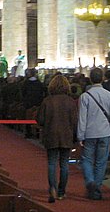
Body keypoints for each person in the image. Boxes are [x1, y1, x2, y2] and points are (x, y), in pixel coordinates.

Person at [77, 67, 110, 200]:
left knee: (87, 160)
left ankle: (90, 181)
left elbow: (82, 118)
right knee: (101, 162)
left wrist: (80, 135)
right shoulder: (109, 95)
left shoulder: (85, 96)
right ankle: (97, 188)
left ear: (90, 79)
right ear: (102, 79)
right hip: (105, 133)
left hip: (89, 133)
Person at [36, 74, 78, 203]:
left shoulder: (47, 101)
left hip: (51, 135)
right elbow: (75, 121)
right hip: (66, 135)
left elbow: (40, 119)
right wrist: (75, 136)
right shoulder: (70, 102)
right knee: (64, 164)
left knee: (52, 163)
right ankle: (61, 191)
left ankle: (52, 188)